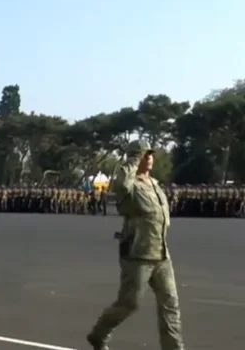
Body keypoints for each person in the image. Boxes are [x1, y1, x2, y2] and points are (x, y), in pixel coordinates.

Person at [87, 140, 184, 350]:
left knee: (171, 305)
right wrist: (132, 161)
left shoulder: (154, 184)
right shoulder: (129, 186)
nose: (149, 157)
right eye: (143, 154)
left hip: (161, 254)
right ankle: (99, 334)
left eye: (150, 154)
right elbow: (122, 186)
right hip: (138, 254)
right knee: (129, 303)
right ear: (134, 158)